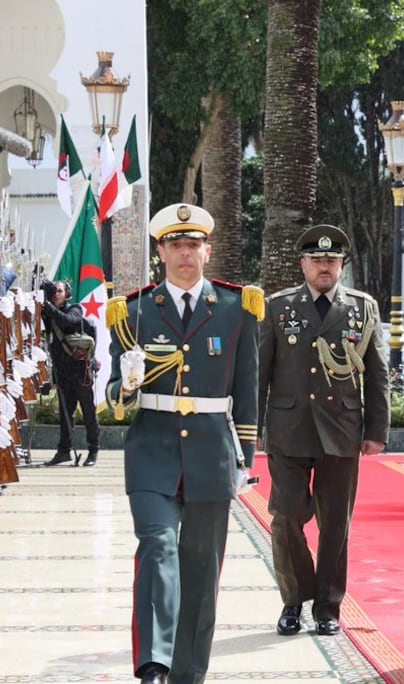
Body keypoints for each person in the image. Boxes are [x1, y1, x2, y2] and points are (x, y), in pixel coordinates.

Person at [105, 203, 262, 684]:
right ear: (161, 252)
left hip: (212, 454)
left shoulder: (238, 308)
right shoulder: (131, 312)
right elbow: (113, 396)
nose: (185, 254)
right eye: (176, 245)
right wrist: (126, 388)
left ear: (207, 251)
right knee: (157, 547)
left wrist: (245, 461)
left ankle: (188, 672)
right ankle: (154, 662)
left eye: (193, 245)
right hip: (152, 450)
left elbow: (248, 390)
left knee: (201, 567)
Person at [259, 225, 389, 639]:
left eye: (332, 261)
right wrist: (250, 429)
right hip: (288, 429)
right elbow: (258, 373)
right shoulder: (278, 307)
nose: (324, 267)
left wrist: (376, 431)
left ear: (341, 265)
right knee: (285, 517)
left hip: (342, 430)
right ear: (303, 265)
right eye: (317, 261)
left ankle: (327, 607)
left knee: (336, 525)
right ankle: (294, 599)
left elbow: (379, 376)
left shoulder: (362, 309)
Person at [40, 279, 100, 467]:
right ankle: (64, 450)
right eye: (54, 291)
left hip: (80, 370)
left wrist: (47, 306)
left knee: (89, 411)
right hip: (62, 370)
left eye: (59, 291)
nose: (56, 294)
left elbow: (68, 321)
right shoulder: (48, 314)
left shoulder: (74, 309)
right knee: (66, 415)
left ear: (67, 294)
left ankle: (93, 450)